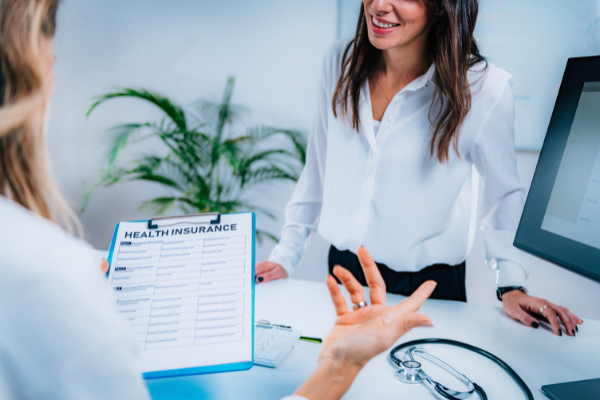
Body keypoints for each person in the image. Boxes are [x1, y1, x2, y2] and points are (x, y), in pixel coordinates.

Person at [0, 1, 436, 399]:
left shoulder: (46, 270)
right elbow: (316, 173)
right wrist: (341, 367)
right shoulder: (48, 275)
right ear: (31, 69)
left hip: (429, 277)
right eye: (51, 44)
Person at [256, 0, 583, 337]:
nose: (380, 6)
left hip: (428, 290)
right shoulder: (339, 62)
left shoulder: (484, 87)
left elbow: (504, 196)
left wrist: (512, 284)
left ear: (441, 7)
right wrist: (285, 256)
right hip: (344, 274)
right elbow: (318, 170)